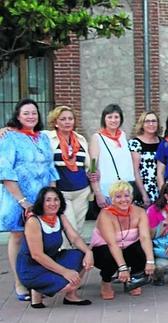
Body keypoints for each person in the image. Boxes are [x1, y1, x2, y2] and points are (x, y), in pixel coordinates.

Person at [0, 98, 59, 301]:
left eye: (34, 112)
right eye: (26, 113)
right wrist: (22, 201)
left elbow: (50, 168)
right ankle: (19, 282)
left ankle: (37, 281)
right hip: (18, 197)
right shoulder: (9, 137)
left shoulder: (42, 137)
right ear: (18, 116)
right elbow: (5, 170)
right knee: (18, 237)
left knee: (39, 239)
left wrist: (53, 196)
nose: (31, 116)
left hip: (41, 197)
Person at [16, 187, 93, 308]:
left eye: (56, 199)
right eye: (48, 200)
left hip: (52, 260)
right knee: (69, 284)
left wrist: (89, 252)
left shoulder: (59, 216)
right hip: (31, 268)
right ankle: (36, 288)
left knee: (82, 256)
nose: (53, 203)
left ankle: (70, 296)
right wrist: (65, 272)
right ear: (41, 202)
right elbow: (37, 255)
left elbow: (74, 238)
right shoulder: (33, 221)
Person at [91, 181, 155, 299]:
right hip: (106, 249)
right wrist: (122, 267)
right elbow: (112, 244)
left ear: (131, 196)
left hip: (128, 248)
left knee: (143, 249)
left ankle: (134, 278)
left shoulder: (140, 212)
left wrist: (150, 261)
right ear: (112, 199)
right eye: (118, 197)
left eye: (126, 195)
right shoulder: (105, 214)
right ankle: (106, 281)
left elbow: (145, 237)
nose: (123, 200)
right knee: (108, 256)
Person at [45, 106, 92, 234]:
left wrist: (92, 174)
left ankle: (75, 253)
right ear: (55, 122)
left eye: (70, 119)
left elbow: (86, 165)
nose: (67, 122)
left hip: (82, 191)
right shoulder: (47, 138)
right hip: (61, 191)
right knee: (69, 227)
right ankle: (67, 252)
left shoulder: (80, 139)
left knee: (79, 227)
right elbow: (28, 133)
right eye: (63, 119)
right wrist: (8, 129)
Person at [89, 104, 144, 208]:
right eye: (110, 117)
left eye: (116, 117)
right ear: (104, 119)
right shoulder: (97, 138)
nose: (113, 120)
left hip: (127, 188)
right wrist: (97, 192)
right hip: (109, 190)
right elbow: (92, 165)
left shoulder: (122, 135)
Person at [129, 111, 162, 205]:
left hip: (161, 189)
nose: (151, 124)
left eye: (154, 121)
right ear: (142, 124)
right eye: (147, 121)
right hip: (144, 189)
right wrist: (144, 194)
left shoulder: (162, 142)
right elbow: (135, 171)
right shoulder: (135, 143)